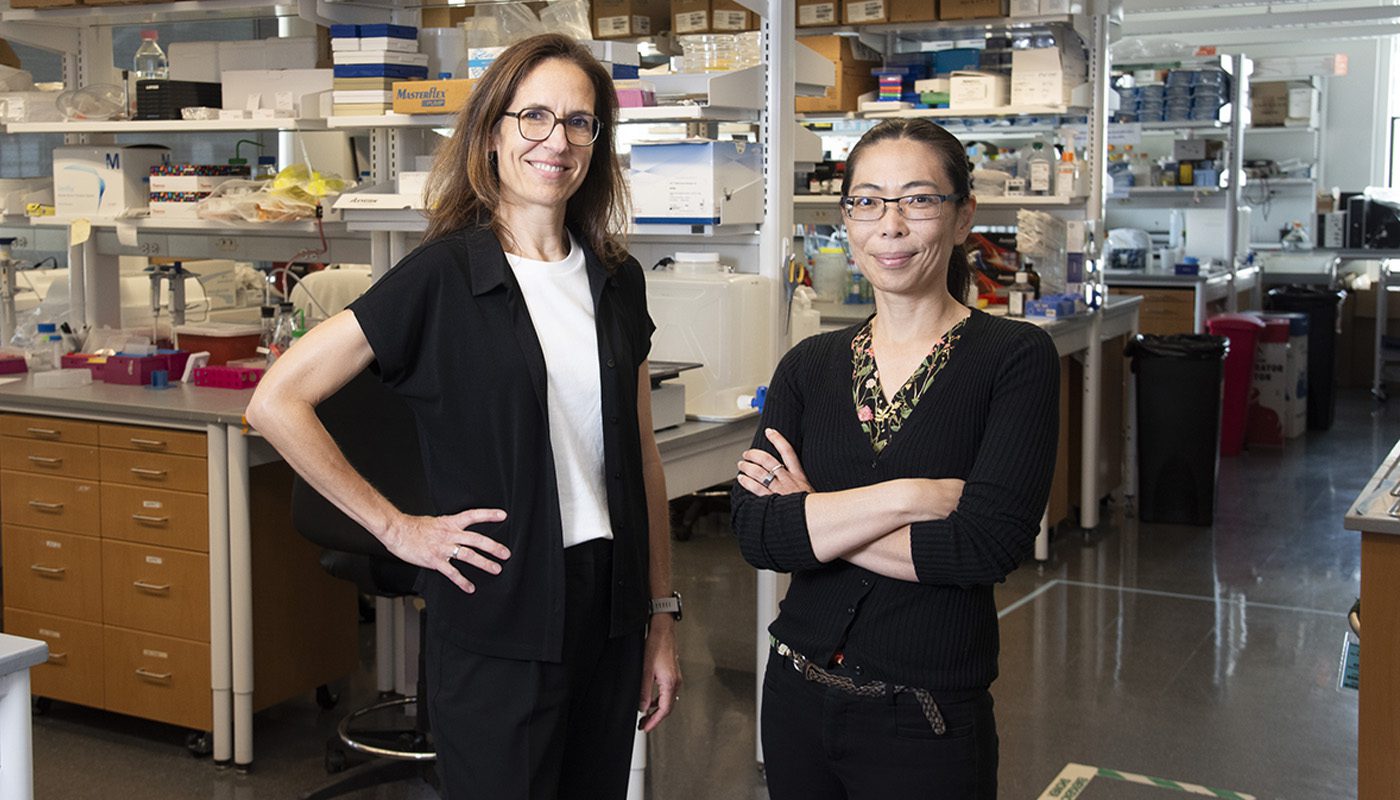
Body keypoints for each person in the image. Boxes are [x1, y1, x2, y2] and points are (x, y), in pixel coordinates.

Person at [246, 33, 681, 800]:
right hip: (500, 605)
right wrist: (396, 527)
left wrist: (661, 616)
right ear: (491, 133)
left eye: (580, 122)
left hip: (609, 605)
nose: (558, 140)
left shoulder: (619, 278)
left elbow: (642, 455)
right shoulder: (442, 277)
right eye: (535, 117)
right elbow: (276, 401)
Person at [731, 118, 1059, 799]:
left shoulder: (1014, 360)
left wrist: (815, 512)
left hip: (926, 717)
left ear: (963, 215)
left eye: (918, 198)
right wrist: (912, 497)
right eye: (868, 200)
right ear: (847, 218)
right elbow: (760, 534)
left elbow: (983, 546)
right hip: (794, 697)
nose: (891, 224)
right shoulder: (807, 366)